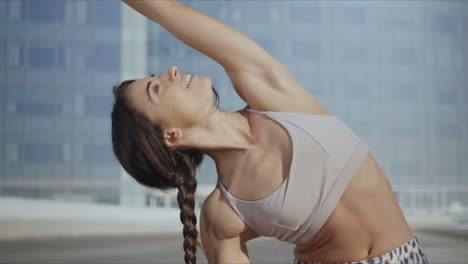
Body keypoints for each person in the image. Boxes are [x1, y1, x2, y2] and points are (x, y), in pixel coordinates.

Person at [111, 1, 429, 264]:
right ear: (171, 136)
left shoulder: (270, 93)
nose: (171, 71)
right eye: (156, 88)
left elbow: (162, 9)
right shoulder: (223, 214)